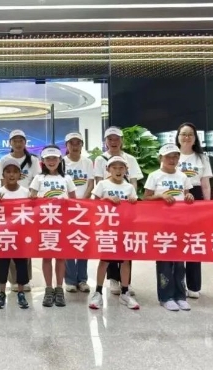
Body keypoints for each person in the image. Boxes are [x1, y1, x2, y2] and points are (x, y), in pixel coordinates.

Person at [143, 143, 195, 311]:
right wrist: (160, 196)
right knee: (165, 261)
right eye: (168, 157)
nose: (172, 160)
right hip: (162, 225)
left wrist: (189, 197)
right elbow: (146, 198)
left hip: (180, 224)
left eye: (175, 157)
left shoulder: (183, 176)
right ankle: (165, 297)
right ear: (161, 158)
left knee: (180, 261)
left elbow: (187, 195)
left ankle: (180, 295)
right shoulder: (154, 176)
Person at [93, 126, 143, 296]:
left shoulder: (130, 159)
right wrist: (105, 199)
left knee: (126, 246)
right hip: (108, 213)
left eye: (116, 138)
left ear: (122, 140)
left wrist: (131, 197)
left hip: (126, 212)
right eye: (110, 139)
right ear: (105, 141)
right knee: (109, 246)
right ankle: (113, 279)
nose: (113, 142)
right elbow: (98, 182)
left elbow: (134, 181)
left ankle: (126, 283)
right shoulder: (100, 159)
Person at [89, 156, 140, 310]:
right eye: (114, 167)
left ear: (126, 170)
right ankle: (98, 292)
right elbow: (93, 204)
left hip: (125, 229)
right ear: (108, 169)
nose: (118, 171)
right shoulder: (102, 184)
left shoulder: (129, 187)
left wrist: (133, 202)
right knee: (104, 260)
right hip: (107, 229)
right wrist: (106, 198)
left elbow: (135, 209)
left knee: (125, 261)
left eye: (121, 168)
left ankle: (125, 292)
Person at [29, 145, 77, 308]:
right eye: (48, 159)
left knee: (61, 257)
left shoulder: (66, 179)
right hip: (44, 223)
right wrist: (35, 199)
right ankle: (48, 289)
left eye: (54, 158)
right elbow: (31, 199)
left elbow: (74, 201)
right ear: (42, 161)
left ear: (60, 160)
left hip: (62, 223)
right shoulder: (38, 178)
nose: (51, 161)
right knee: (47, 256)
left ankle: (59, 288)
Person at [0, 129, 41, 292]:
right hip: (8, 206)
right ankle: (13, 279)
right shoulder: (4, 159)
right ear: (10, 143)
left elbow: (37, 181)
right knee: (8, 240)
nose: (18, 143)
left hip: (26, 205)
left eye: (21, 140)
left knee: (24, 242)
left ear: (25, 142)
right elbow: (2, 183)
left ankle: (24, 279)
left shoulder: (33, 160)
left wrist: (31, 199)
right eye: (15, 140)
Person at [175, 122, 212, 299]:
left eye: (190, 134)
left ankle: (193, 285)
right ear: (178, 137)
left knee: (193, 241)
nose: (187, 137)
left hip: (196, 197)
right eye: (183, 134)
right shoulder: (172, 155)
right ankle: (177, 283)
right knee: (177, 241)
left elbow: (205, 184)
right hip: (176, 196)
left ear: (195, 138)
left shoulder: (202, 158)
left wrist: (207, 206)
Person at [0, 157, 31, 310]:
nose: (11, 175)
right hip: (3, 234)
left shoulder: (26, 192)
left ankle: (21, 292)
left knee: (21, 264)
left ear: (20, 175)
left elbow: (32, 212)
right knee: (2, 263)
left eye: (15, 172)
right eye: (8, 172)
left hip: (20, 235)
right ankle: (2, 293)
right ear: (3, 175)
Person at [63, 132, 94, 293]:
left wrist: (83, 201)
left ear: (82, 145)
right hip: (67, 208)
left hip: (84, 208)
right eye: (71, 143)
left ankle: (82, 279)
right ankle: (69, 280)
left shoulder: (87, 162)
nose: (75, 146)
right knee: (68, 243)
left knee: (83, 242)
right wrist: (71, 202)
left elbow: (90, 183)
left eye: (78, 143)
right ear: (67, 146)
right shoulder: (62, 162)